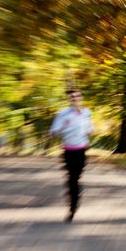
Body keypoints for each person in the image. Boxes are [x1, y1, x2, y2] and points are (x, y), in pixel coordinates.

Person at [49, 89, 94, 223]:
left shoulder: (86, 113)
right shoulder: (62, 114)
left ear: (81, 98)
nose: (74, 98)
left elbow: (90, 128)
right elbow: (53, 132)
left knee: (77, 177)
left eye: (77, 96)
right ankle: (73, 206)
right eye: (72, 96)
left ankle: (74, 198)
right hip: (68, 150)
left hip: (81, 149)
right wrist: (62, 127)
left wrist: (91, 130)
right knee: (71, 178)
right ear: (70, 99)